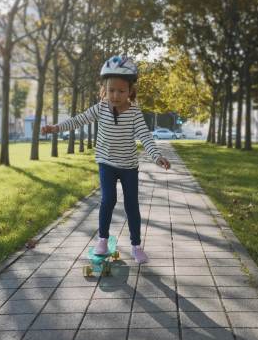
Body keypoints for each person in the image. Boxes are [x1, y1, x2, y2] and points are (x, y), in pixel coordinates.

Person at [41, 55, 170, 263]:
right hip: (106, 164)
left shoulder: (135, 113)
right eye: (111, 91)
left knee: (131, 204)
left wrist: (157, 156)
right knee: (108, 200)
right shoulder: (100, 108)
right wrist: (56, 128)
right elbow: (78, 120)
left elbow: (145, 136)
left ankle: (136, 245)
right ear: (104, 89)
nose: (115, 95)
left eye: (121, 91)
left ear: (130, 91)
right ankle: (102, 240)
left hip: (128, 166)